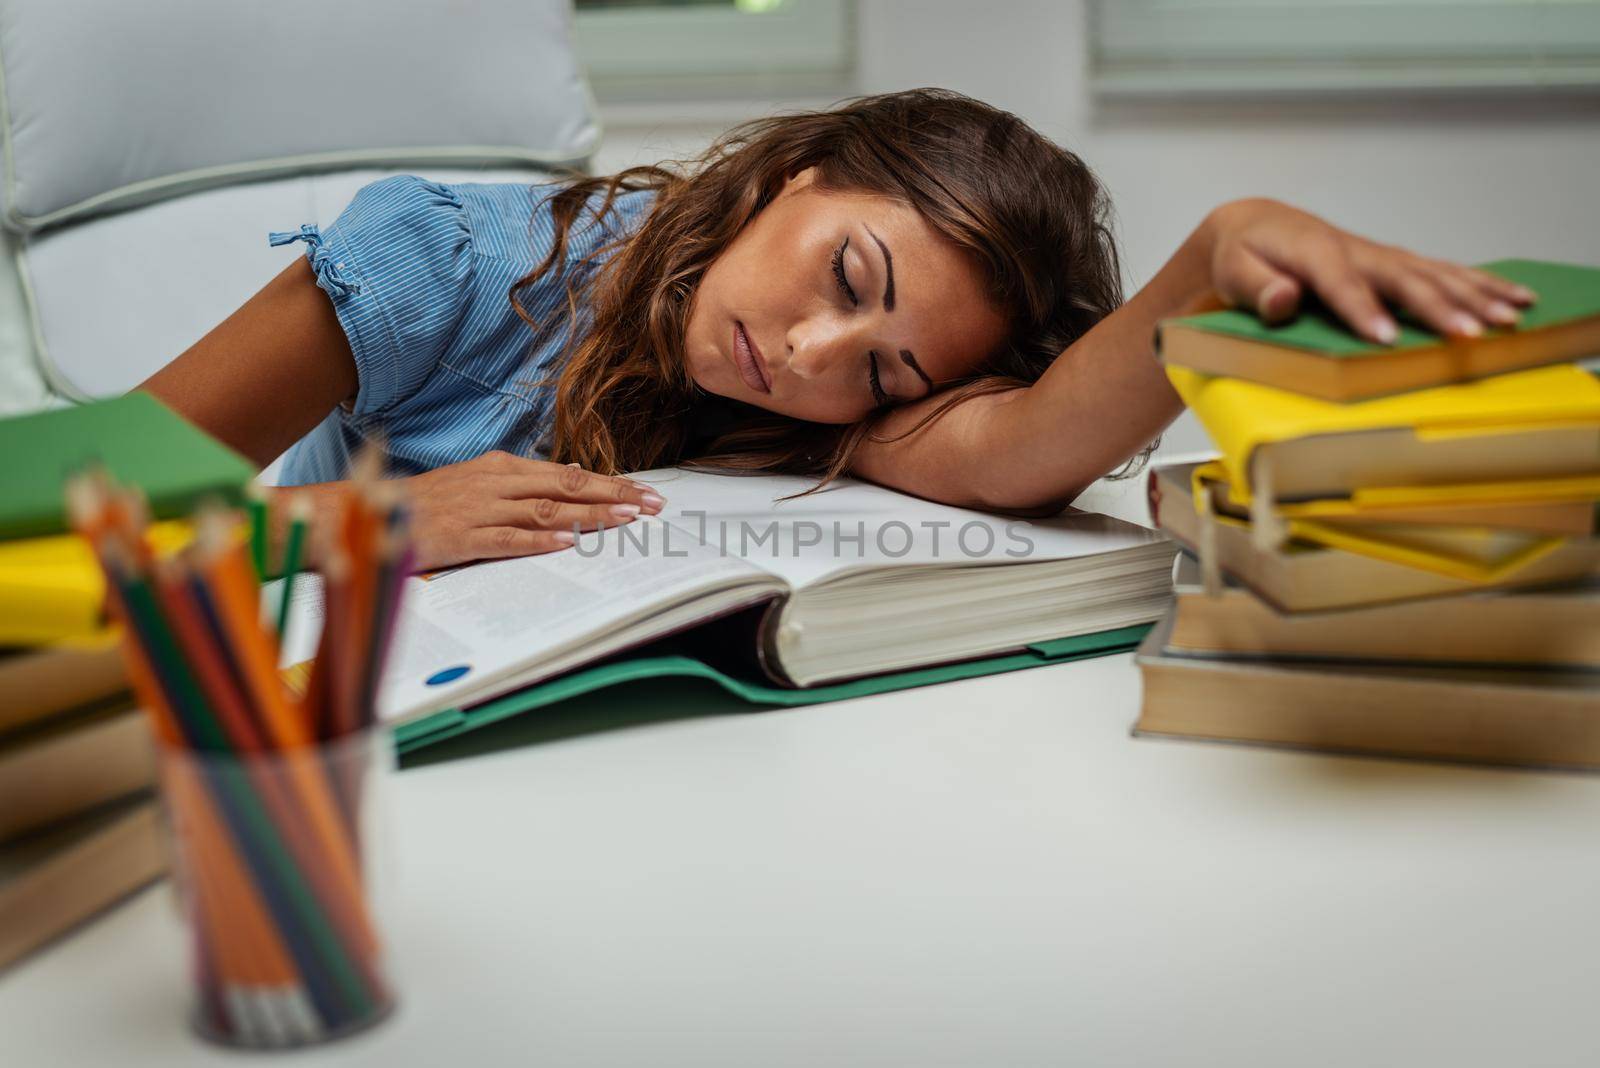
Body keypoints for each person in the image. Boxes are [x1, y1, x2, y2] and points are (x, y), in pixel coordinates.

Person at [144, 89, 1533, 570]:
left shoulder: (806, 406)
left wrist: (1212, 267)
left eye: (884, 365)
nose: (809, 357)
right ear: (792, 176)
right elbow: (71, 512)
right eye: (843, 273)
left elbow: (1017, 449)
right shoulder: (440, 258)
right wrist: (356, 533)